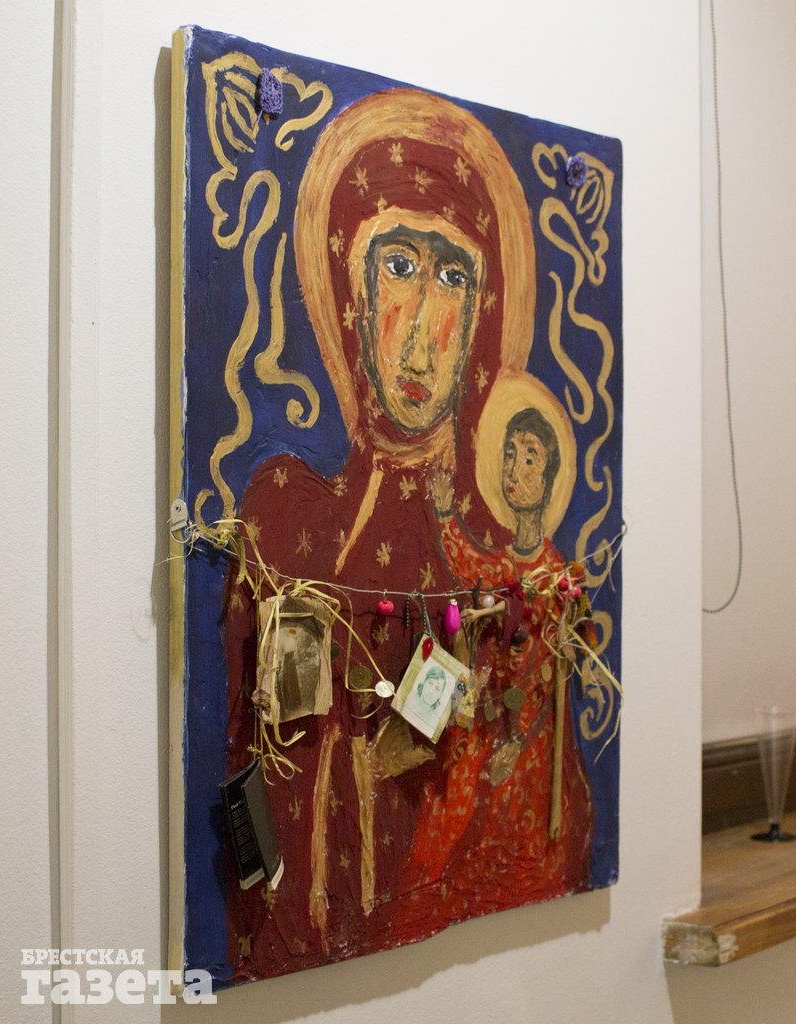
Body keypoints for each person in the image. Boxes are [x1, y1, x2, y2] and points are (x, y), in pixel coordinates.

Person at [222, 90, 538, 979]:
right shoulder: (283, 515)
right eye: (398, 265)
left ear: (483, 317)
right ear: (348, 292)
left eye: (453, 278)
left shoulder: (485, 567)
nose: (423, 331)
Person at [395, 380, 593, 934]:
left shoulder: (556, 576)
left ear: (549, 481)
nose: (514, 468)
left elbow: (552, 677)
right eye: (509, 453)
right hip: (488, 724)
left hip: (528, 748)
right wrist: (442, 511)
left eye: (530, 458)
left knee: (514, 859)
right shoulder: (504, 564)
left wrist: (518, 743)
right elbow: (471, 566)